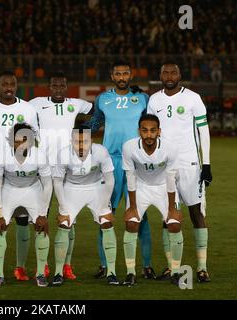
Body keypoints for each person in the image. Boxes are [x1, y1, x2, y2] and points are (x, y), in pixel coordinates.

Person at [87, 61, 155, 279]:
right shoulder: (103, 99)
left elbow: (153, 123)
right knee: (106, 214)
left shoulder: (143, 98)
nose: (122, 76)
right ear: (112, 75)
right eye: (118, 73)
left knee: (139, 214)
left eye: (126, 73)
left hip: (136, 162)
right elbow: (94, 124)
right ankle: (105, 264)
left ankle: (145, 265)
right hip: (110, 163)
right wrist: (70, 132)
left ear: (131, 75)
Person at [147, 62, 212, 283]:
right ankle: (172, 267)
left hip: (190, 165)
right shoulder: (154, 100)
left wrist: (207, 164)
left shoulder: (193, 98)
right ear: (160, 75)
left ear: (180, 75)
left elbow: (203, 131)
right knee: (168, 217)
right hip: (165, 167)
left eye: (173, 72)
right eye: (164, 72)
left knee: (196, 214)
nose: (169, 75)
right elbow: (150, 131)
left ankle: (202, 268)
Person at [28, 71, 92, 280]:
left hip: (67, 168)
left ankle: (66, 265)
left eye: (61, 85)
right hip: (43, 170)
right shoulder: (36, 104)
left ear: (66, 86)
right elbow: (19, 110)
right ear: (49, 86)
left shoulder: (76, 103)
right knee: (41, 216)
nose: (58, 89)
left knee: (69, 217)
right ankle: (44, 265)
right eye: (54, 85)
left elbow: (98, 110)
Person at [0, 71, 39, 281]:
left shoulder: (27, 108)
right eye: (4, 83)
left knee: (23, 220)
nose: (8, 86)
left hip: (20, 170)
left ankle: (20, 267)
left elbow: (35, 137)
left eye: (12, 83)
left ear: (17, 86)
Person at [51, 125, 118, 286]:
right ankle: (58, 273)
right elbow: (58, 182)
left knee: (106, 222)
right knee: (64, 223)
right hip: (71, 189)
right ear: (71, 141)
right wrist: (63, 208)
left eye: (85, 142)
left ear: (92, 141)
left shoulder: (101, 152)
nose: (81, 146)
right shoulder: (63, 154)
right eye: (77, 142)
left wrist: (104, 206)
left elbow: (110, 180)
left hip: (96, 188)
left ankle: (112, 272)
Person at [121, 114, 184, 287]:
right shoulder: (129, 147)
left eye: (153, 131)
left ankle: (176, 272)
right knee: (131, 223)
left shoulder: (170, 148)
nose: (149, 135)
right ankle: (131, 273)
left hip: (164, 187)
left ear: (159, 132)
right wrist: (132, 206)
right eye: (145, 130)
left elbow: (171, 179)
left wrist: (172, 208)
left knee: (174, 223)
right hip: (140, 187)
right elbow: (130, 176)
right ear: (139, 131)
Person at [0, 123, 52, 288]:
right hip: (9, 190)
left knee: (41, 228)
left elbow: (48, 185)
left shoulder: (40, 156)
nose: (21, 144)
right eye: (17, 140)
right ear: (11, 141)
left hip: (33, 190)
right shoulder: (1, 156)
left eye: (25, 140)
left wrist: (43, 214)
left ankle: (40, 273)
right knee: (0, 228)